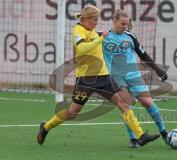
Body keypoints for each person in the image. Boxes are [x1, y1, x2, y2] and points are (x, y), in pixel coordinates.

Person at [37, 5, 160, 147]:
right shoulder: (78, 30)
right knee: (73, 112)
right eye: (94, 20)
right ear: (86, 19)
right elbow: (82, 49)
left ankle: (140, 136)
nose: (96, 23)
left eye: (97, 20)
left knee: (123, 103)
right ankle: (46, 127)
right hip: (86, 79)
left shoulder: (93, 31)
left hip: (103, 77)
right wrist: (100, 39)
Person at [102, 9, 169, 148]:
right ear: (114, 21)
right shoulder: (103, 36)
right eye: (122, 24)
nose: (125, 26)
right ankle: (134, 139)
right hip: (117, 77)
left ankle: (164, 134)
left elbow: (143, 55)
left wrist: (158, 70)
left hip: (134, 75)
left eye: (127, 24)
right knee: (125, 106)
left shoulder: (130, 36)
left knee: (148, 103)